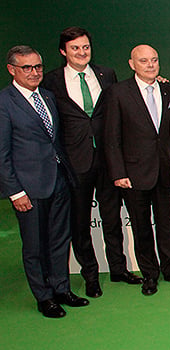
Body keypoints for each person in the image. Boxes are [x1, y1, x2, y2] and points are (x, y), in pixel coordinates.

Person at [40, 27, 135, 298]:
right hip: (75, 162)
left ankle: (118, 269)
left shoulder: (107, 74)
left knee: (112, 218)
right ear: (63, 52)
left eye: (85, 47)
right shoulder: (52, 82)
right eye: (75, 48)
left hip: (108, 160)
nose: (82, 52)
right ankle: (90, 275)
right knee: (80, 225)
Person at [1, 45, 89, 318]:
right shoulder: (4, 102)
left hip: (59, 182)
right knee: (35, 246)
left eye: (38, 66)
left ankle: (62, 288)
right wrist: (15, 192)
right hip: (29, 189)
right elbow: (2, 153)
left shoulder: (48, 97)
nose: (34, 72)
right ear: (12, 70)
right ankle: (44, 296)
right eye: (27, 67)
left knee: (59, 240)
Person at [104, 44, 170, 295]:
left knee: (165, 224)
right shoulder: (118, 93)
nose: (150, 65)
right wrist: (119, 173)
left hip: (164, 171)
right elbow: (111, 137)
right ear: (132, 64)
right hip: (133, 175)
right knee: (141, 227)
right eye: (144, 61)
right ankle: (149, 275)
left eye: (154, 60)